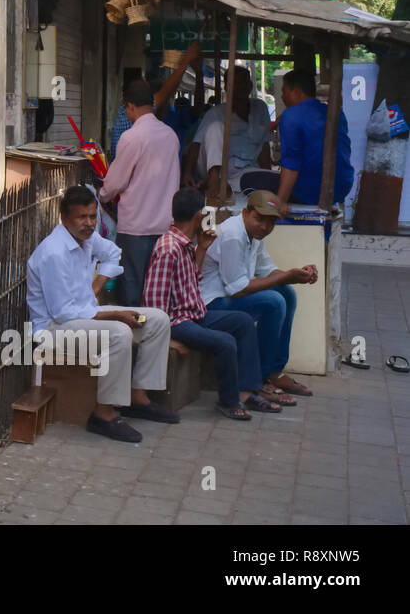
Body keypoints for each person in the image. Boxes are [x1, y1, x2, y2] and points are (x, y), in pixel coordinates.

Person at [27, 185, 177, 443]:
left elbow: (113, 253)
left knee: (157, 320)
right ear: (64, 219)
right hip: (53, 330)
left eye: (92, 216)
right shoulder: (53, 253)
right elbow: (63, 313)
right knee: (119, 333)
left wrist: (96, 286)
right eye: (81, 217)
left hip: (84, 315)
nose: (89, 223)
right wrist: (116, 316)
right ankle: (103, 414)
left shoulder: (86, 237)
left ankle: (137, 397)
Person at [142, 188, 279, 420]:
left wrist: (203, 248)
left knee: (243, 322)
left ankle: (246, 391)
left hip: (193, 313)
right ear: (199, 217)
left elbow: (191, 278)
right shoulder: (169, 248)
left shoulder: (185, 243)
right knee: (225, 341)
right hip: (177, 321)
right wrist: (167, 339)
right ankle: (229, 401)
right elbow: (154, 303)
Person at [199, 190, 318, 403]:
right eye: (259, 219)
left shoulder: (254, 234)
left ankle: (274, 372)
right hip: (211, 304)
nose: (264, 226)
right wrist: (286, 276)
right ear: (246, 212)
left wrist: (297, 275)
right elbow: (238, 289)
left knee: (287, 293)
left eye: (271, 222)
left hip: (229, 296)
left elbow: (267, 271)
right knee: (273, 301)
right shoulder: (233, 235)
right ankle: (260, 380)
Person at [98, 80, 182, 307]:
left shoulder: (131, 137)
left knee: (132, 293)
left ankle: (133, 341)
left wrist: (101, 194)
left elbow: (114, 184)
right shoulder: (170, 135)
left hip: (135, 227)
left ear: (130, 106)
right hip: (165, 226)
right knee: (158, 291)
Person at [183, 65, 272, 198]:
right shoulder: (215, 113)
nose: (240, 87)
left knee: (267, 179)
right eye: (235, 83)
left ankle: (220, 183)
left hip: (244, 170)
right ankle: (213, 181)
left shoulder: (260, 108)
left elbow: (264, 146)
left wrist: (267, 177)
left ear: (250, 85)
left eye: (243, 82)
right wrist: (187, 172)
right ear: (227, 87)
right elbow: (196, 144)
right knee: (216, 127)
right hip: (215, 167)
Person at [274, 68, 353, 213]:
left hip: (309, 192)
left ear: (297, 92)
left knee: (249, 181)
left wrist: (280, 202)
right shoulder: (336, 112)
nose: (282, 96)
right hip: (342, 187)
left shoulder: (291, 115)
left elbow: (291, 162)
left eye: (284, 91)